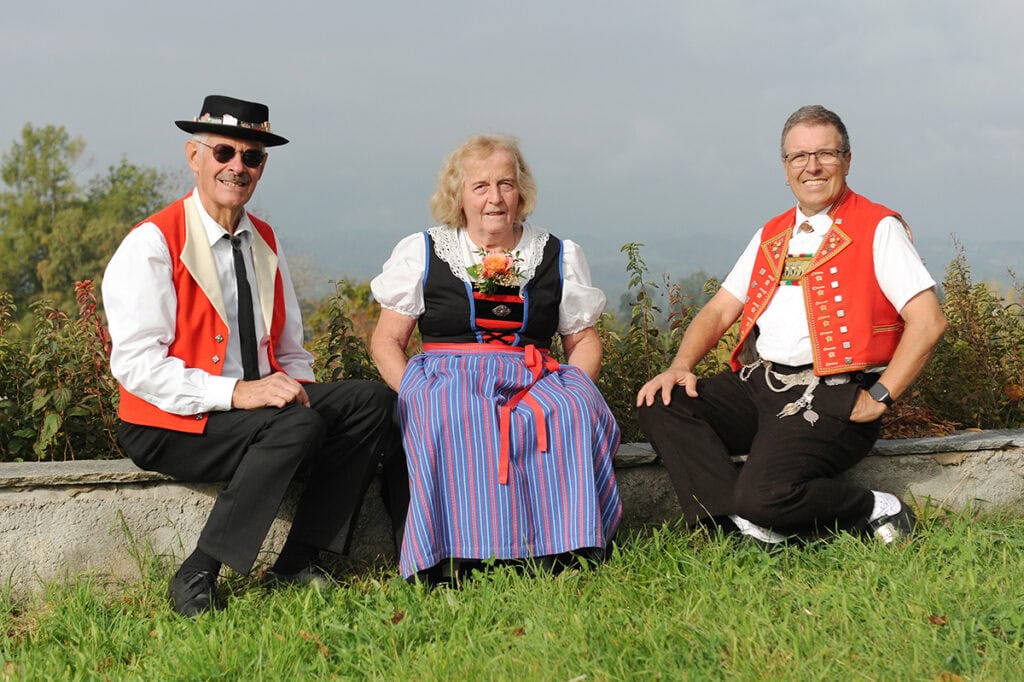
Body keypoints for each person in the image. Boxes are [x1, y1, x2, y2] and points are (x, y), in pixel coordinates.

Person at [102, 95, 405, 617]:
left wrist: (300, 395)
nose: (237, 167)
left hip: (255, 415)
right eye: (224, 152)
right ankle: (198, 570)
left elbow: (289, 348)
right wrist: (238, 393)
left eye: (252, 157)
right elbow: (135, 366)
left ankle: (297, 560)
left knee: (371, 402)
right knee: (296, 428)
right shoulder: (151, 243)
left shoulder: (264, 240)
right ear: (194, 157)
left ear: (262, 168)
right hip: (169, 421)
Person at [636, 105, 948, 547]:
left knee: (764, 494)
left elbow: (929, 322)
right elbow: (719, 311)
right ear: (785, 167)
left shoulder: (877, 227)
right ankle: (740, 524)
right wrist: (680, 365)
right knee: (663, 402)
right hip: (763, 381)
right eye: (799, 156)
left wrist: (880, 397)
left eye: (825, 153)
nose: (812, 166)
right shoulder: (773, 233)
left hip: (835, 390)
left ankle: (874, 508)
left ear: (847, 160)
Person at [370, 134, 622, 582]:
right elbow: (387, 341)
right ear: (459, 196)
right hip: (449, 375)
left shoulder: (557, 254)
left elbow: (582, 340)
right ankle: (454, 557)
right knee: (452, 410)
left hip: (535, 374)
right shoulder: (423, 250)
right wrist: (414, 388)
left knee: (568, 409)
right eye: (480, 186)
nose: (495, 198)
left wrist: (576, 384)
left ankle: (566, 548)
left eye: (505, 184)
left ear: (521, 192)